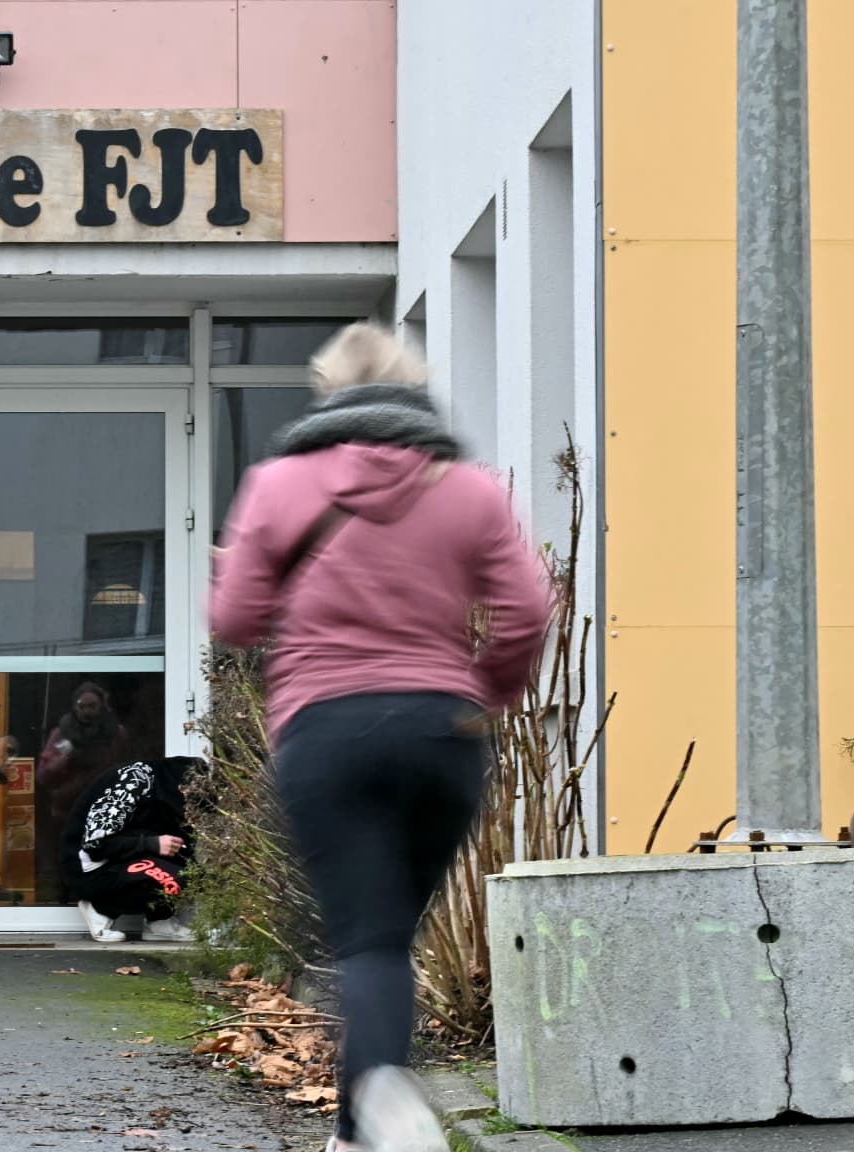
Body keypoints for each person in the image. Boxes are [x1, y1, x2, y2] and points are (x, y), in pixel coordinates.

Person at [208, 322, 549, 1152]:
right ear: (414, 391)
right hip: (443, 733)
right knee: (388, 936)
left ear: (329, 395)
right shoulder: (466, 490)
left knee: (366, 940)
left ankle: (379, 1107)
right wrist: (488, 691)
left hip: (327, 733)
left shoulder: (278, 485)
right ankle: (362, 1126)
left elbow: (234, 618)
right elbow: (529, 612)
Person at [60, 755, 201, 943]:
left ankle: (159, 921)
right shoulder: (132, 780)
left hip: (122, 859)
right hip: (91, 869)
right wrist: (152, 844)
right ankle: (100, 908)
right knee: (175, 877)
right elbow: (96, 844)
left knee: (193, 873)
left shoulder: (161, 789)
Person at [34, 681, 129, 902]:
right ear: (74, 707)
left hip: (104, 809)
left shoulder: (115, 733)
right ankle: (64, 901)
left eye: (92, 706)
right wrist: (64, 758)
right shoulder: (62, 733)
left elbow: (126, 768)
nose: (86, 711)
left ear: (102, 706)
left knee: (102, 861)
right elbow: (43, 776)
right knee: (67, 862)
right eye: (81, 706)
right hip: (66, 810)